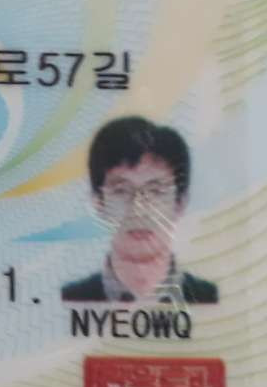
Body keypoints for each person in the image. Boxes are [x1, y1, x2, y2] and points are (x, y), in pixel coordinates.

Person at [61, 116, 218, 305]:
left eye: (156, 191)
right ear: (98, 203)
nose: (139, 209)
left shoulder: (212, 300)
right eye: (121, 191)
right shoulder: (68, 301)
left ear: (180, 203)